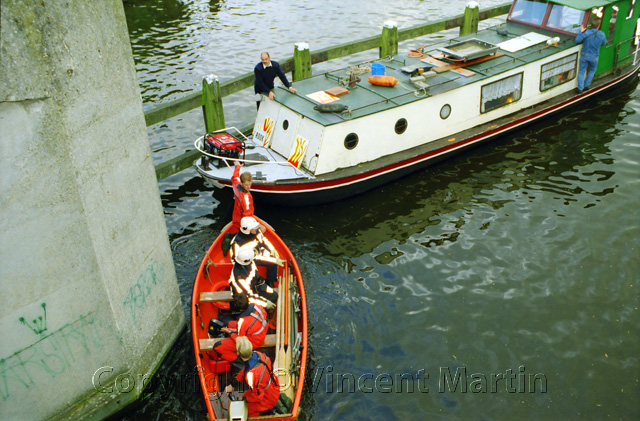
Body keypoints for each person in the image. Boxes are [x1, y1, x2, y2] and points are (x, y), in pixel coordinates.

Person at [224, 336, 281, 417]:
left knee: (247, 412)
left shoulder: (252, 376)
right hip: (272, 387)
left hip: (266, 398)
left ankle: (267, 411)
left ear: (238, 353)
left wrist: (245, 400)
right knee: (245, 396)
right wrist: (233, 384)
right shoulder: (259, 355)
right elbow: (245, 369)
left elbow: (258, 396)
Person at [211, 294, 269, 366]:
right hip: (260, 330)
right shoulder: (257, 306)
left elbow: (241, 341)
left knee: (217, 347)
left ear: (239, 308)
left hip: (253, 341)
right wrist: (235, 330)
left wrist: (230, 332)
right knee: (230, 324)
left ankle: (241, 362)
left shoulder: (243, 322)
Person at [230, 216, 284, 287]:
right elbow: (251, 258)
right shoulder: (238, 243)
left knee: (272, 258)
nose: (256, 229)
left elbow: (263, 240)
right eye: (254, 228)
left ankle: (270, 280)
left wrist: (272, 249)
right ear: (247, 229)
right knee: (272, 261)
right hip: (245, 261)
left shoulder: (255, 231)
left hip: (255, 252)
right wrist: (273, 260)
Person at [222, 160, 256, 255]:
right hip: (242, 221)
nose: (248, 187)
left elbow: (235, 177)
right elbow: (247, 214)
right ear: (242, 184)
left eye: (249, 184)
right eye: (246, 185)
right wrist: (253, 227)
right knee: (249, 237)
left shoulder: (236, 184)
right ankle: (231, 241)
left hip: (235, 218)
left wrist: (237, 166)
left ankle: (229, 236)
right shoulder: (246, 197)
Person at [574, 17, 606, 93]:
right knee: (592, 70)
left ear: (591, 25)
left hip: (585, 56)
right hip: (594, 56)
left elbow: (577, 40)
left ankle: (580, 88)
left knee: (581, 72)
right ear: (599, 25)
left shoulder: (587, 33)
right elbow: (603, 43)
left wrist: (581, 32)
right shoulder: (601, 34)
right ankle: (586, 85)